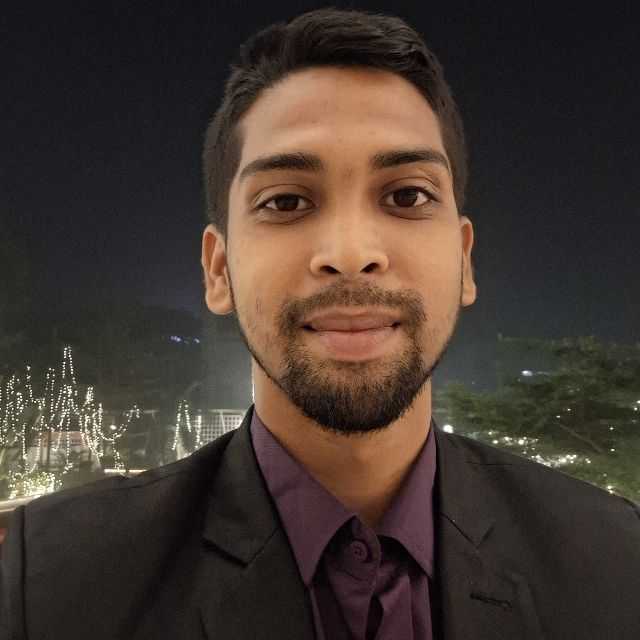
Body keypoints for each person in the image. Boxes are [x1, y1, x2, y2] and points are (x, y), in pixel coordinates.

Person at [1, 7, 639, 639]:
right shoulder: (51, 588)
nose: (350, 251)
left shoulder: (614, 563)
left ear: (465, 260)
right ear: (218, 270)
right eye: (285, 200)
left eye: (407, 195)